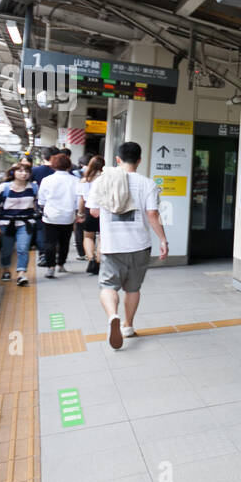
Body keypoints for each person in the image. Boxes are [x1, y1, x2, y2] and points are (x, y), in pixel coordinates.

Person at [85, 141, 167, 350]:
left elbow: (93, 212)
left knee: (107, 285)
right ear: (140, 160)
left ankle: (113, 315)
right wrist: (163, 240)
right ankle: (128, 326)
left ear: (118, 160)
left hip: (112, 245)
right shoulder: (147, 183)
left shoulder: (102, 181)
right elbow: (152, 214)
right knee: (133, 288)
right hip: (139, 244)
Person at [0, 160, 38, 286]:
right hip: (6, 223)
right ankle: (6, 269)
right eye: (20, 171)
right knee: (7, 249)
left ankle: (22, 273)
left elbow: (38, 203)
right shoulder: (4, 187)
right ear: (13, 173)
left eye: (26, 171)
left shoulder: (33, 187)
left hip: (25, 223)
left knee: (23, 248)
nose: (24, 174)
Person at [36, 153, 78, 277]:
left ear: (53, 166)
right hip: (68, 217)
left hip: (50, 216)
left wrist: (45, 208)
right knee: (64, 242)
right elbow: (78, 200)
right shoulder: (75, 180)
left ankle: (50, 267)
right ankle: (61, 264)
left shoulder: (47, 180)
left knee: (50, 243)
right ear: (68, 166)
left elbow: (41, 200)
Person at [77, 155, 104, 276]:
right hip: (103, 211)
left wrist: (80, 213)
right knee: (102, 238)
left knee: (88, 237)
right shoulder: (105, 179)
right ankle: (99, 262)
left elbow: (82, 199)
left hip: (89, 210)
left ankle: (91, 260)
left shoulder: (85, 180)